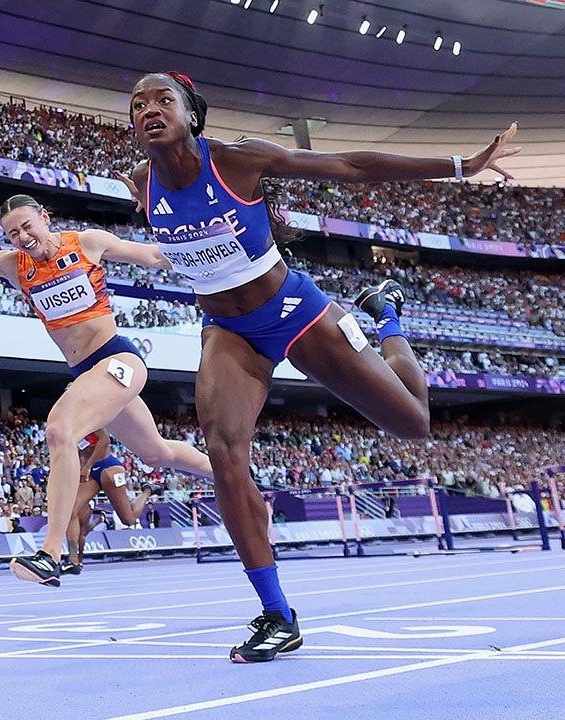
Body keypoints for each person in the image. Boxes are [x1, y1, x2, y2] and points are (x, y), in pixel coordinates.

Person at [118, 71, 520, 662]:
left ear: (191, 114)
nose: (150, 109)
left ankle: (386, 319)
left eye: (163, 100)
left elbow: (351, 166)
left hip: (294, 310)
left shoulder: (237, 161)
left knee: (414, 423)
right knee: (225, 454)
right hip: (228, 331)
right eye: (138, 104)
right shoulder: (141, 182)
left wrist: (461, 165)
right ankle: (277, 614)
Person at [0, 195, 212, 589]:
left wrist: (202, 236)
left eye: (27, 226)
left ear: (45, 217)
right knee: (155, 452)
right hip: (87, 373)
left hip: (119, 360)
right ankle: (229, 471)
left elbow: (152, 256)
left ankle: (51, 552)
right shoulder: (11, 264)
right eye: (12, 233)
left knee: (60, 429)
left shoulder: (87, 242)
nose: (22, 237)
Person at [62, 428, 155, 575]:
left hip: (109, 468)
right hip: (92, 472)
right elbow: (79, 454)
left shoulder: (91, 419)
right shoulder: (71, 427)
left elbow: (105, 440)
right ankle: (73, 560)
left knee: (128, 519)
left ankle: (148, 490)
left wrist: (87, 466)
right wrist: (80, 471)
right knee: (71, 511)